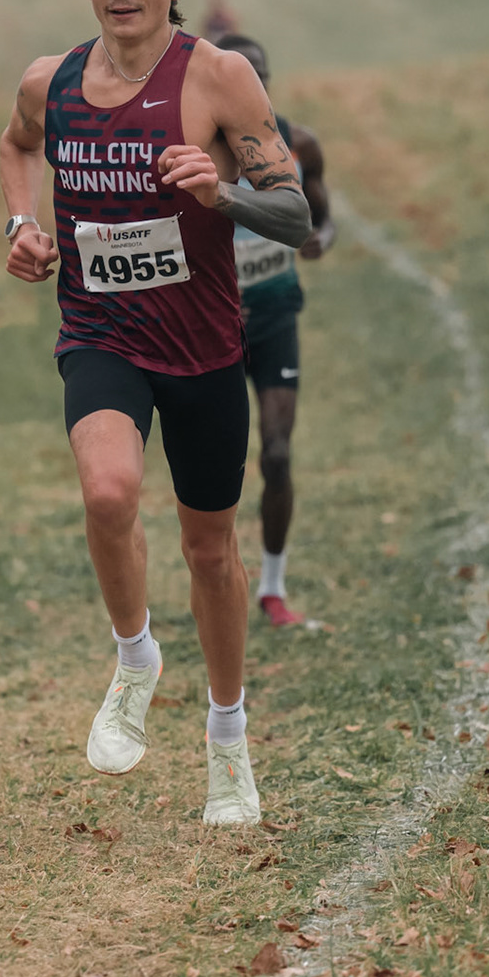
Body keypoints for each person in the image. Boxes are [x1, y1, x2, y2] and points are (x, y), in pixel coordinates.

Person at [0, 0, 311, 826]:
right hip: (101, 332)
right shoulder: (49, 82)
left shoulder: (218, 78)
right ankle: (135, 658)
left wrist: (221, 193)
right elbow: (16, 146)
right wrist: (20, 224)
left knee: (210, 551)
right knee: (107, 492)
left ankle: (228, 739)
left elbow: (294, 213)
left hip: (204, 347)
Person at [217, 34, 335, 629]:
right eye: (241, 74)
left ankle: (272, 586)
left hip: (274, 314)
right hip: (213, 323)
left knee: (279, 453)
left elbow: (323, 220)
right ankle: (218, 581)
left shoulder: (298, 143)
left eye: (259, 75)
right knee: (217, 470)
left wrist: (319, 240)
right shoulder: (194, 146)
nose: (252, 85)